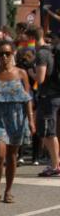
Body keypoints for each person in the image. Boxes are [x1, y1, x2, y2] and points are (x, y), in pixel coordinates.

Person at [0, 40, 34, 205]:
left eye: (7, 53)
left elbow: (27, 99)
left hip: (16, 117)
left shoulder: (21, 73)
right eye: (1, 53)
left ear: (13, 54)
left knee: (12, 156)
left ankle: (8, 191)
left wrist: (31, 120)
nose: (4, 56)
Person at [32, 27, 60, 177]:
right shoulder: (52, 51)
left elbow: (40, 78)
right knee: (51, 131)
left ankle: (55, 165)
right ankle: (56, 163)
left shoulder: (42, 54)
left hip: (48, 97)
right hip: (55, 95)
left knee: (49, 133)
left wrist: (30, 72)